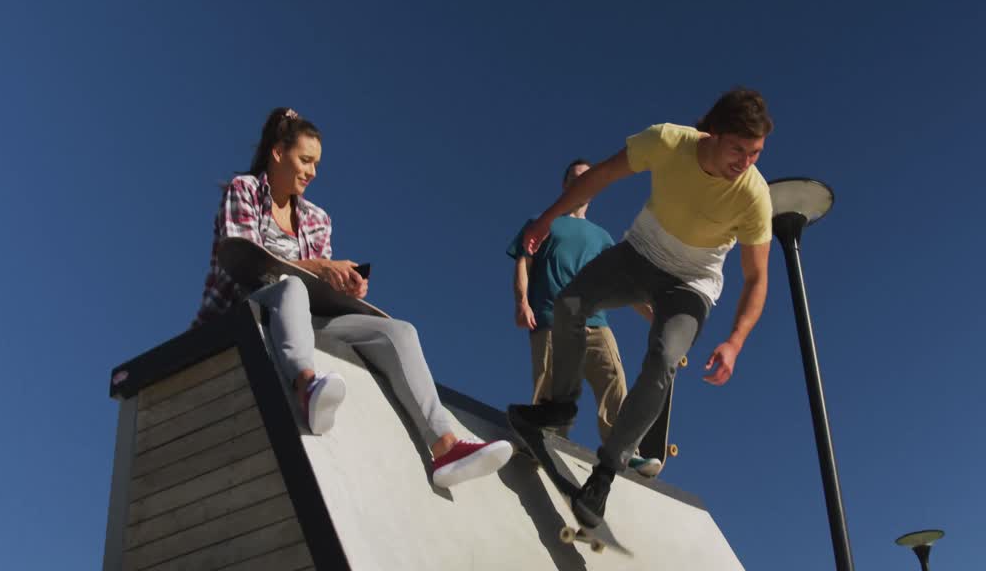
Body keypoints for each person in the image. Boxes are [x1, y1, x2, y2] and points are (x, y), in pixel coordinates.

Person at [195, 107, 512, 488]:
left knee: (399, 331)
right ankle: (307, 385)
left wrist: (343, 284)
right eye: (305, 160)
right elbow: (247, 258)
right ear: (278, 153)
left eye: (317, 164)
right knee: (291, 286)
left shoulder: (317, 219)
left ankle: (445, 446)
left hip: (305, 313)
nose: (312, 171)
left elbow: (318, 281)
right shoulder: (244, 190)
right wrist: (319, 268)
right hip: (243, 306)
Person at [508, 88, 774, 526]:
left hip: (693, 284)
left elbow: (756, 276)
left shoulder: (754, 196)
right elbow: (602, 176)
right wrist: (548, 218)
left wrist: (735, 340)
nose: (745, 163)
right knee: (572, 302)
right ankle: (560, 404)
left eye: (756, 153)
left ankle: (607, 471)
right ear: (712, 133)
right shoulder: (668, 141)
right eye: (738, 149)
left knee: (664, 359)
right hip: (641, 255)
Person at [507, 160, 661, 477]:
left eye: (588, 178)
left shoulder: (602, 237)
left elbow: (622, 284)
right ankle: (545, 440)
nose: (582, 183)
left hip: (594, 320)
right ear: (566, 185)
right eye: (576, 178)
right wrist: (522, 302)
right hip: (550, 317)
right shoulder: (543, 221)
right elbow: (524, 261)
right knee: (550, 385)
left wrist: (657, 318)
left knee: (612, 379)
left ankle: (623, 450)